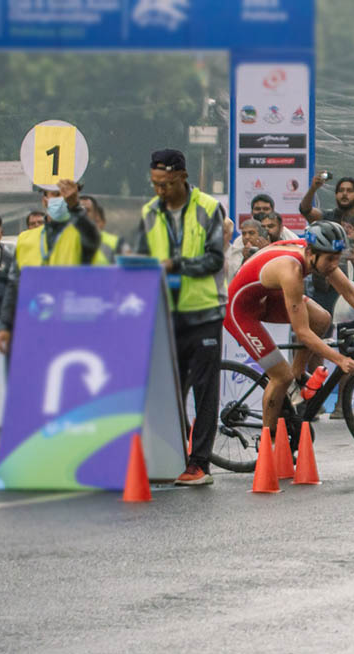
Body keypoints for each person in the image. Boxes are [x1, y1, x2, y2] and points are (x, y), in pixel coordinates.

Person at [224, 221, 354, 432]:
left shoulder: (318, 254)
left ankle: (297, 375)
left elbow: (348, 290)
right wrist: (339, 359)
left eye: (338, 258)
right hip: (240, 310)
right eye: (330, 259)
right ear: (310, 253)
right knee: (281, 376)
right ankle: (268, 441)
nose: (334, 264)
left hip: (265, 298)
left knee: (321, 318)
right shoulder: (291, 270)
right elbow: (303, 332)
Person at [136, 149, 226, 487]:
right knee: (167, 391)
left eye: (167, 184)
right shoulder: (149, 212)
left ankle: (199, 463)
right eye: (155, 183)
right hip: (165, 315)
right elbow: (143, 258)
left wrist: (177, 265)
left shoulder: (208, 208)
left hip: (203, 312)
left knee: (204, 393)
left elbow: (215, 259)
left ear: (183, 177)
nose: (160, 190)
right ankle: (170, 457)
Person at [0, 180, 119, 355]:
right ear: (44, 200)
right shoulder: (26, 238)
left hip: (71, 326)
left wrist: (75, 206)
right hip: (34, 326)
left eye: (63, 194)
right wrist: (5, 325)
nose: (60, 199)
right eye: (54, 194)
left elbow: (92, 238)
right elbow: (14, 284)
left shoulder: (81, 233)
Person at [299, 173, 354, 305]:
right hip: (327, 291)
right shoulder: (326, 217)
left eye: (349, 191)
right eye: (340, 191)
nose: (344, 194)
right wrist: (313, 189)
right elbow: (305, 210)